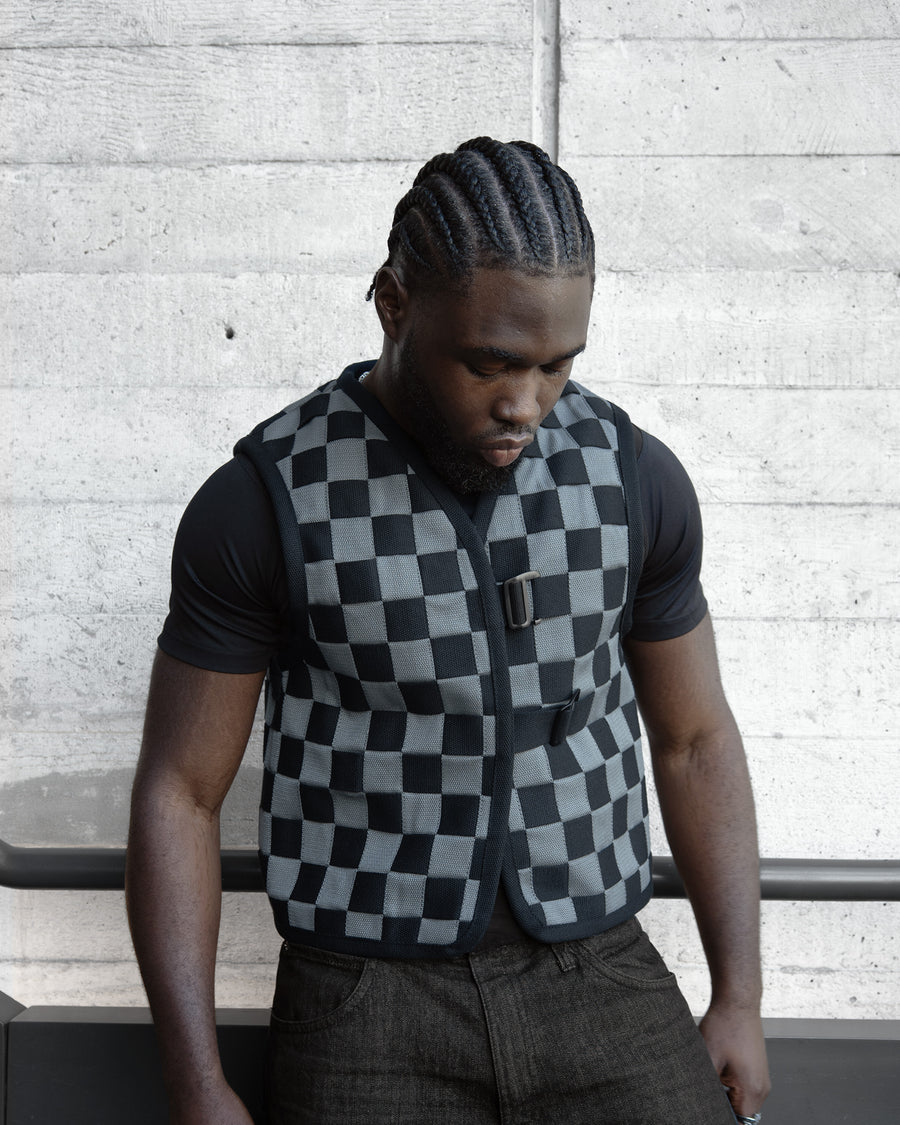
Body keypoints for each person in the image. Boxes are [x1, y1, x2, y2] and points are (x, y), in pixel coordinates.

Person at [126, 137, 770, 1124]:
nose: (525, 404)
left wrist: (740, 997)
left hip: (597, 969)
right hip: (363, 996)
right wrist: (194, 1078)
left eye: (558, 366)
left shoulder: (635, 478)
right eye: (490, 364)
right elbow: (179, 792)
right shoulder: (263, 501)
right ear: (393, 305)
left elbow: (694, 743)